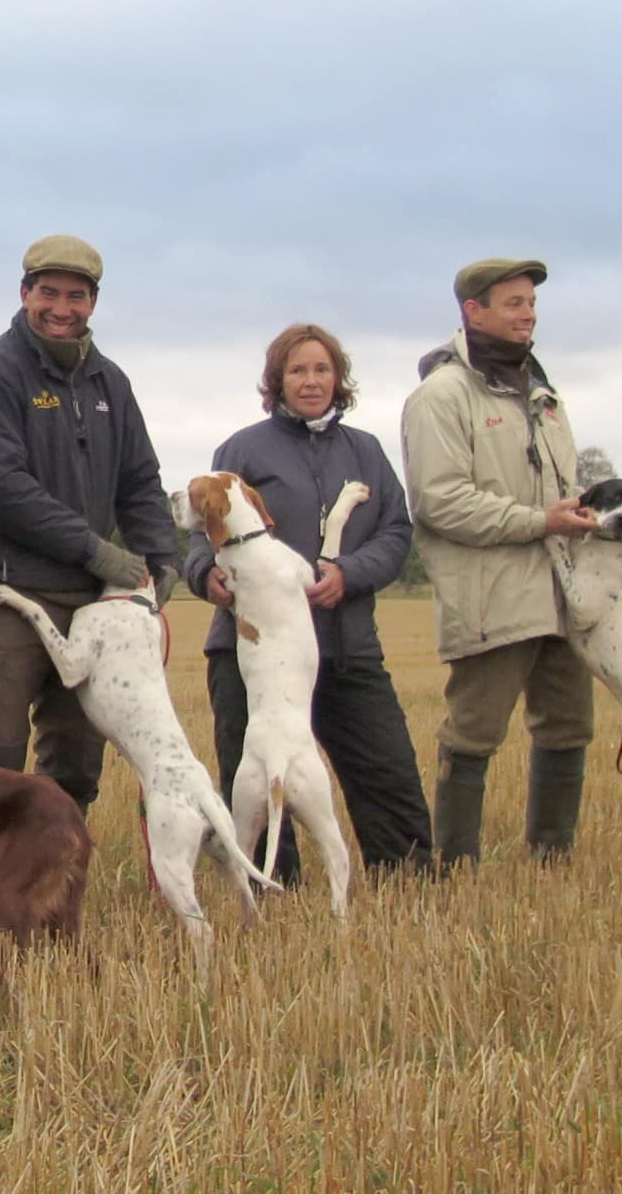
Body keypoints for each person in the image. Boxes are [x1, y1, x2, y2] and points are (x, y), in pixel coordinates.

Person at [184, 323, 434, 880]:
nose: (311, 380)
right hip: (248, 651)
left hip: (345, 645)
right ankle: (275, 894)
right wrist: (206, 577)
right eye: (297, 370)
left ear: (338, 378)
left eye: (322, 369)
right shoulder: (243, 449)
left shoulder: (365, 452)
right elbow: (200, 532)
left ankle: (409, 885)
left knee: (386, 772)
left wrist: (350, 572)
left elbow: (395, 531)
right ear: (277, 381)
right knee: (253, 780)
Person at [0, 234, 177, 819]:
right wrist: (97, 551)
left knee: (75, 760)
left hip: (93, 607)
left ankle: (56, 889)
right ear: (24, 294)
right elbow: (2, 490)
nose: (61, 307)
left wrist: (160, 558)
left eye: (76, 296)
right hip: (9, 593)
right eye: (48, 292)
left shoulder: (111, 385)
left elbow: (141, 480)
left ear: (93, 304)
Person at [402, 258, 597, 868]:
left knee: (568, 728)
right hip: (491, 598)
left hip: (564, 593)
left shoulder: (543, 393)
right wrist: (541, 521)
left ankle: (551, 863)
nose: (528, 314)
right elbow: (440, 502)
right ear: (473, 311)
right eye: (513, 303)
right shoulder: (442, 396)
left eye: (531, 303)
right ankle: (457, 868)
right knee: (473, 735)